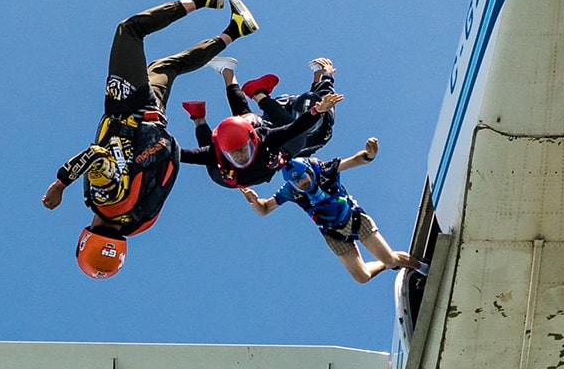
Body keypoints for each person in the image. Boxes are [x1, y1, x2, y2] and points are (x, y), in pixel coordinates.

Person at [42, 0, 259, 279]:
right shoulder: (106, 199)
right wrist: (60, 183)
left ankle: (236, 29)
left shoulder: (140, 221)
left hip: (154, 119)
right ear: (84, 240)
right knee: (129, 30)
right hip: (128, 108)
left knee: (168, 67)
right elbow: (95, 156)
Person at [241, 142, 423, 284]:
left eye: (303, 178)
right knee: (362, 277)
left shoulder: (323, 169)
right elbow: (265, 209)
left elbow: (353, 160)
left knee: (391, 259)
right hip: (333, 234)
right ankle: (385, 263)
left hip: (354, 219)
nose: (302, 183)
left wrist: (369, 155)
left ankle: (423, 267)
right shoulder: (290, 191)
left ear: (309, 171)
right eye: (297, 183)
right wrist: (254, 201)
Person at [178, 58, 342, 189]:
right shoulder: (268, 135)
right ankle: (241, 84)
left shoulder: (268, 136)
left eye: (240, 150)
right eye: (236, 153)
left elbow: (179, 154)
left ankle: (201, 113)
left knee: (215, 163)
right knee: (295, 136)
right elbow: (298, 125)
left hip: (250, 161)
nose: (240, 156)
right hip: (276, 140)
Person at [244, 57, 340, 159]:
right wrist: (324, 72)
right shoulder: (326, 108)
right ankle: (259, 93)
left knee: (285, 131)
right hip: (285, 115)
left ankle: (258, 93)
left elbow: (324, 89)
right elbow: (325, 87)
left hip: (283, 145)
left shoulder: (323, 130)